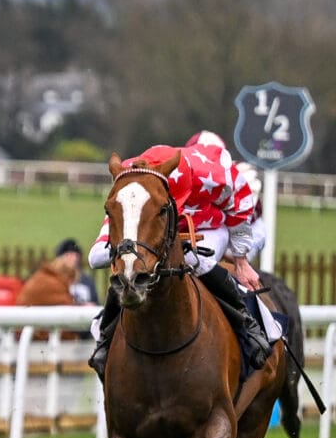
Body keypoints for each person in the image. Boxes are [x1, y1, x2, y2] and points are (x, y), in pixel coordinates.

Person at [87, 141, 270, 381]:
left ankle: (247, 324)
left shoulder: (213, 175)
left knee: (194, 259)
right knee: (99, 258)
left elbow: (242, 202)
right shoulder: (131, 180)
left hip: (206, 225)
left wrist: (241, 260)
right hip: (149, 224)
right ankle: (106, 338)